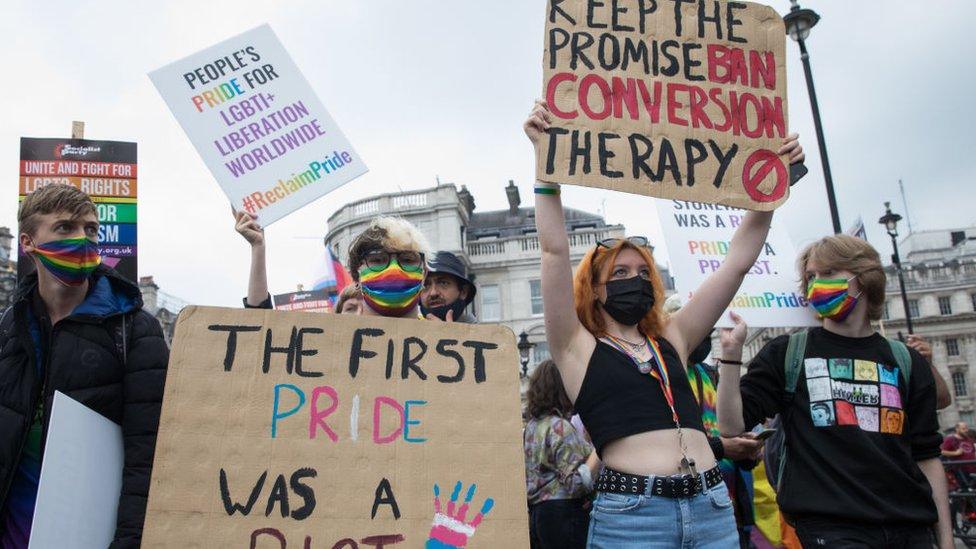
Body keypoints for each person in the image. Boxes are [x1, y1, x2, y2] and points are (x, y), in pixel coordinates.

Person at [524, 99, 805, 547]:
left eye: (642, 273)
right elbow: (554, 252)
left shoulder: (672, 336)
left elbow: (736, 263)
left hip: (711, 507)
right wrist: (546, 168)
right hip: (633, 517)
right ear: (594, 289)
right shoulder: (575, 347)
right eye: (619, 274)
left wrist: (771, 188)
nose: (634, 281)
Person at [716, 235, 952, 549]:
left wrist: (946, 540)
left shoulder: (905, 361)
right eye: (811, 277)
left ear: (863, 278)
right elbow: (733, 426)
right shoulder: (787, 353)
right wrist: (731, 357)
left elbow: (927, 456)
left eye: (828, 273)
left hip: (910, 527)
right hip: (831, 528)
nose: (817, 284)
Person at [0, 184, 169, 548]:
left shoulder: (135, 330)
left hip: (88, 535)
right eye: (65, 228)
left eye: (91, 229)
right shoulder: (8, 327)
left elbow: (149, 456)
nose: (83, 240)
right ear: (28, 242)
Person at [524, 360, 599, 549]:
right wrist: (599, 453)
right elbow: (576, 484)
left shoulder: (532, 427)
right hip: (564, 515)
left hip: (537, 515)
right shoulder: (560, 427)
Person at [346, 216, 430, 318]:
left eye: (407, 260)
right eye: (377, 260)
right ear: (356, 275)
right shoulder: (333, 333)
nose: (394, 270)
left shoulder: (444, 333)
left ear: (424, 274)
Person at [420, 251, 478, 323]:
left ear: (463, 292)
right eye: (425, 285)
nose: (433, 293)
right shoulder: (406, 332)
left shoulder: (485, 333)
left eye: (443, 283)